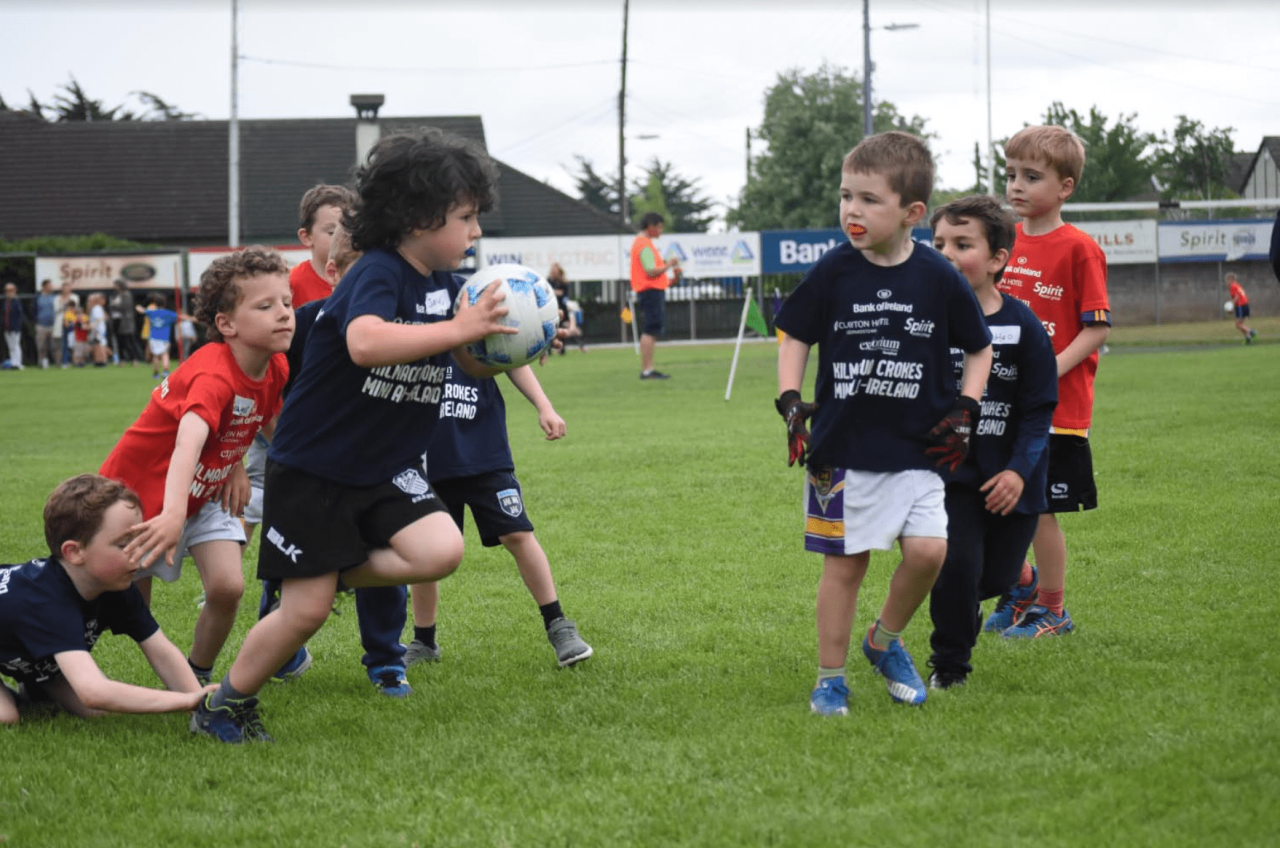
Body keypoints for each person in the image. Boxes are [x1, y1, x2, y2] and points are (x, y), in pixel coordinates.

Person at [189, 127, 514, 743]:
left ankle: (322, 567)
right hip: (319, 469)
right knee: (304, 613)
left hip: (386, 466)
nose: (475, 232)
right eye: (466, 217)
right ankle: (225, 703)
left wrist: (498, 343)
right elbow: (365, 342)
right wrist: (456, 328)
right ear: (419, 217)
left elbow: (462, 362)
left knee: (441, 550)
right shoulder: (380, 272)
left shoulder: (445, 289)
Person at [773, 131, 993, 713]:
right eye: (847, 196)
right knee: (844, 568)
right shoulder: (834, 270)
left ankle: (884, 641)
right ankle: (830, 679)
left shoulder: (938, 276)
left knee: (927, 554)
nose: (852, 210)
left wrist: (966, 410)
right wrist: (790, 400)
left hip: (919, 450)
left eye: (870, 200)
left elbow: (979, 348)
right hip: (840, 451)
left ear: (912, 213)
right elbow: (795, 332)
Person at [99, 247, 293, 689]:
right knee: (121, 605)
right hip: (136, 498)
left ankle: (196, 672)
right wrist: (170, 515)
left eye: (287, 302)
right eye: (265, 306)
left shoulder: (274, 364)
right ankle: (53, 671)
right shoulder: (213, 375)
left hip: (204, 493)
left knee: (227, 588)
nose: (283, 314)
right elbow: (188, 442)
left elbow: (267, 424)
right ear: (227, 325)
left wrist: (236, 464)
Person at [926, 195, 1058, 690]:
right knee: (956, 565)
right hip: (951, 475)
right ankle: (950, 665)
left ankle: (969, 604)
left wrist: (1019, 470)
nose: (947, 254)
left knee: (996, 578)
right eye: (938, 243)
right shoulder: (926, 324)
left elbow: (1039, 407)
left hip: (1012, 478)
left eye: (962, 244)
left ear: (998, 259)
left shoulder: (1022, 325)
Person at [987, 125, 1111, 640]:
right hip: (998, 401)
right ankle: (1021, 588)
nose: (1016, 186)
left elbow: (1097, 327)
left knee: (1037, 511)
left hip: (1056, 407)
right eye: (1011, 174)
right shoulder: (1001, 243)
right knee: (988, 498)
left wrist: (1047, 368)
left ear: (1065, 187)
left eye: (1031, 177)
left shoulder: (1079, 249)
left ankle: (1053, 611)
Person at [401, 358, 593, 669]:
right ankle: (424, 640)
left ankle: (559, 626)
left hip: (485, 454)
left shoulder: (478, 316)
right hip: (428, 461)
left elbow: (512, 359)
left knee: (516, 533)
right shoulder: (410, 318)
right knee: (427, 554)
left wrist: (544, 405)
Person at [0, 474, 213, 726]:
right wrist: (185, 701)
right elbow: (94, 692)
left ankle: (38, 685)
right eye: (124, 545)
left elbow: (162, 652)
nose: (138, 553)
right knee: (7, 717)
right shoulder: (45, 602)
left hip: (34, 658)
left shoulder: (115, 585)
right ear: (74, 552)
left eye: (139, 540)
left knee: (100, 712)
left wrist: (200, 704)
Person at [629, 212, 682, 379]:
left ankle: (649, 369)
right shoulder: (644, 245)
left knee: (652, 329)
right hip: (649, 291)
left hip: (651, 290)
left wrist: (673, 278)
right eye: (659, 227)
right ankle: (647, 370)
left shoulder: (644, 243)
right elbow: (651, 271)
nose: (660, 231)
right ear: (650, 227)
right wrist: (669, 264)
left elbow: (655, 276)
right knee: (650, 329)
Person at [290, 183, 357, 308]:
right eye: (332, 232)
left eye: (350, 231)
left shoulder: (364, 277)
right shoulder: (293, 283)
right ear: (307, 237)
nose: (343, 239)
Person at [138, 294, 181, 379]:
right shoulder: (168, 313)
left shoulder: (152, 312)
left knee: (155, 356)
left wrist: (138, 306)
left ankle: (156, 374)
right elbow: (179, 317)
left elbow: (141, 310)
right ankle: (165, 371)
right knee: (165, 354)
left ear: (155, 304)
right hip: (164, 337)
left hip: (153, 337)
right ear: (165, 304)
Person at [548, 262, 584, 353]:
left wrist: (554, 292)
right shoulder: (549, 281)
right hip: (552, 308)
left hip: (563, 308)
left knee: (564, 328)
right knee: (553, 329)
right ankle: (550, 349)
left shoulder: (563, 281)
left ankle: (562, 347)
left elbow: (563, 294)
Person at [109, 279, 140, 366]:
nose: (114, 287)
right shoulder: (115, 295)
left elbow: (125, 306)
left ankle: (134, 359)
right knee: (119, 341)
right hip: (116, 320)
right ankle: (121, 360)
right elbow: (111, 306)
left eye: (116, 285)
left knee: (128, 341)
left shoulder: (127, 295)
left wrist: (116, 305)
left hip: (126, 322)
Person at [1225, 273, 1257, 344]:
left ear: (1231, 280)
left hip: (1241, 306)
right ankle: (1248, 338)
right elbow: (1242, 295)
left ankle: (1251, 331)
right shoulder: (1237, 285)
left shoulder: (1233, 286)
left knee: (1238, 325)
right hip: (1244, 305)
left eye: (1227, 280)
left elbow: (1236, 297)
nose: (1226, 282)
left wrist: (1231, 307)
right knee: (1241, 324)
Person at [54, 282, 79, 368]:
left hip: (72, 323)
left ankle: (76, 361)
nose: (65, 289)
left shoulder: (74, 297)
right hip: (60, 323)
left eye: (67, 287)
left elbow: (75, 309)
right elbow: (56, 310)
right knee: (63, 344)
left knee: (73, 343)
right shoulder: (57, 298)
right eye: (64, 288)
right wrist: (63, 305)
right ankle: (64, 361)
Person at [35, 279, 58, 369]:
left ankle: (57, 363)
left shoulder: (55, 297)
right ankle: (42, 363)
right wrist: (36, 322)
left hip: (53, 325)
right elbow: (34, 310)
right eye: (49, 286)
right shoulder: (38, 297)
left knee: (55, 346)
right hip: (41, 325)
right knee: (41, 346)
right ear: (44, 287)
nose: (51, 287)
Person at [3, 282, 24, 369]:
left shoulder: (16, 302)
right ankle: (13, 362)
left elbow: (19, 316)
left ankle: (18, 363)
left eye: (11, 290)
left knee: (16, 345)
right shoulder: (6, 302)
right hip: (7, 328)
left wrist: (16, 326)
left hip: (14, 328)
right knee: (11, 347)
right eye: (7, 291)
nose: (9, 292)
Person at [88, 292, 110, 367]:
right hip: (99, 330)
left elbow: (100, 319)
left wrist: (93, 327)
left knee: (99, 345)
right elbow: (101, 318)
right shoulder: (98, 308)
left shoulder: (97, 308)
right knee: (99, 345)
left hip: (98, 330)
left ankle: (101, 361)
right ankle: (101, 361)